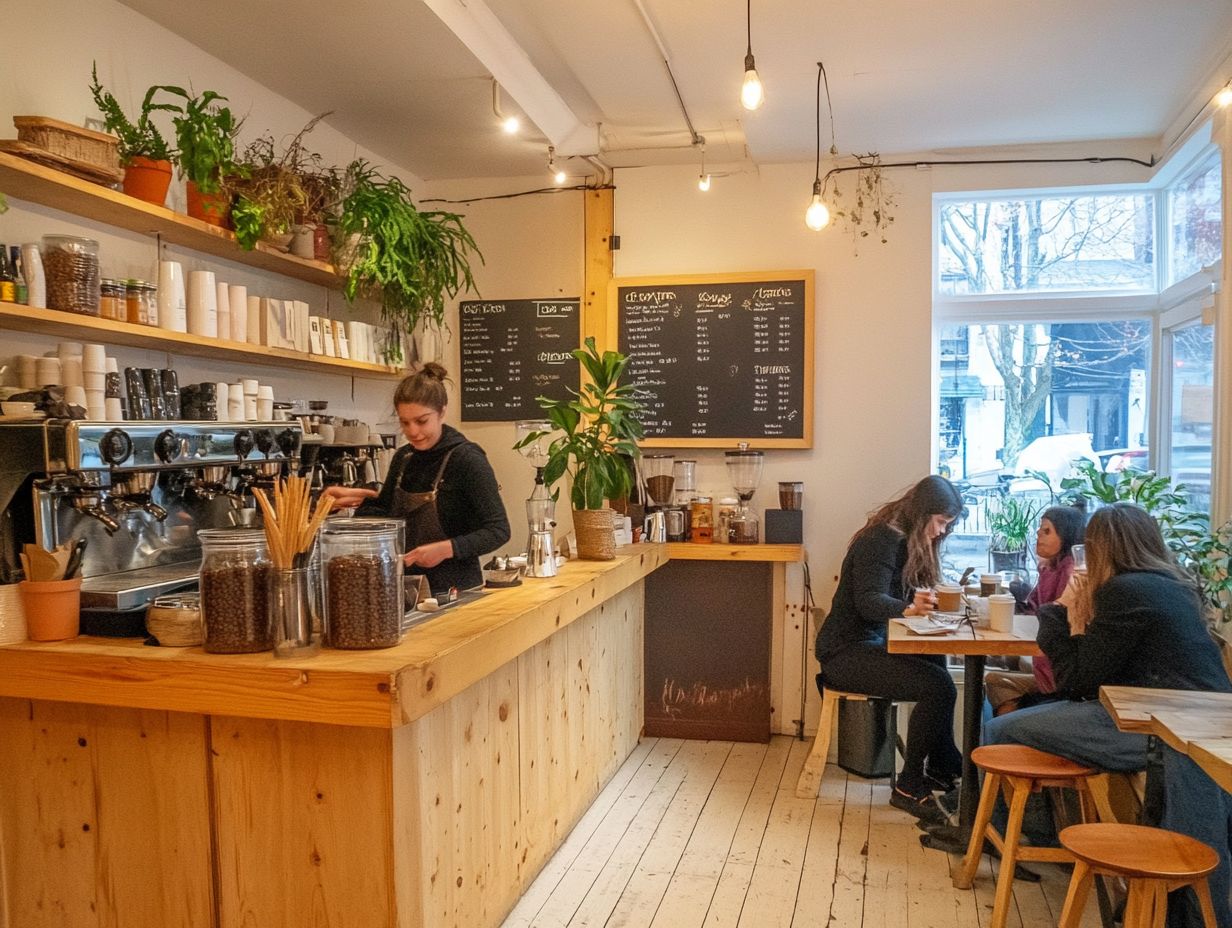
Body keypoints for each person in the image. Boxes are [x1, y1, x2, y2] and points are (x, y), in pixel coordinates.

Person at [983, 502, 1232, 927]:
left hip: (1158, 727)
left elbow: (1076, 681)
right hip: (1195, 718)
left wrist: (1059, 611)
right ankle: (1037, 835)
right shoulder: (1174, 585)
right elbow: (1097, 671)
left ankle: (1026, 838)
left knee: (1001, 728)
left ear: (1099, 549)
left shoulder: (1124, 591)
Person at [815, 475, 966, 824]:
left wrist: (923, 600)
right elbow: (868, 602)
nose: (942, 531)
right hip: (845, 653)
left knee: (935, 659)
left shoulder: (902, 538)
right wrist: (909, 608)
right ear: (923, 512)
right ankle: (909, 786)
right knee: (939, 686)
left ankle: (943, 764)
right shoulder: (881, 539)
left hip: (869, 645)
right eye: (941, 522)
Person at [323, 362, 511, 594]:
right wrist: (360, 499)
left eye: (422, 421)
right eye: (405, 422)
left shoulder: (467, 459)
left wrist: (446, 549)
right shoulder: (404, 457)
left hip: (456, 591)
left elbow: (498, 530)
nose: (412, 431)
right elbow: (387, 514)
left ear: (442, 412)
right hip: (405, 588)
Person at [985, 505, 1086, 714]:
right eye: (1040, 529)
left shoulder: (1070, 572)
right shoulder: (1051, 567)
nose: (1038, 535)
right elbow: (1035, 609)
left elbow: (1053, 616)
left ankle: (1015, 733)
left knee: (997, 682)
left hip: (1058, 674)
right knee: (995, 679)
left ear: (1066, 537)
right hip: (1046, 664)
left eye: (1047, 531)